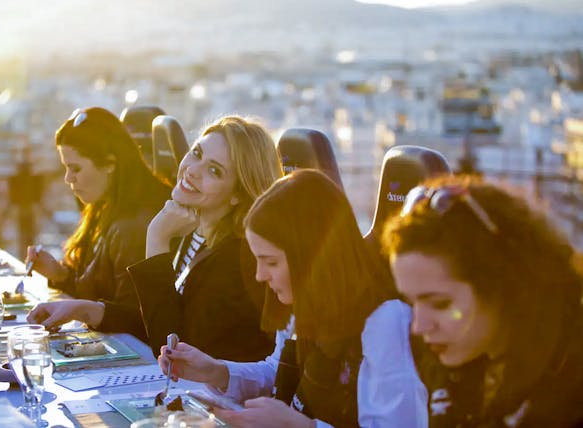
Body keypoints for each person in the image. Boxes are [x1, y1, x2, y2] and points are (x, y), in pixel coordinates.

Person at [158, 169, 427, 427]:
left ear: (309, 258)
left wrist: (304, 427)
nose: (261, 276)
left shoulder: (385, 322)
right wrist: (216, 371)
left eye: (271, 262)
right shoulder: (306, 300)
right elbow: (280, 373)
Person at [28, 115, 282, 361]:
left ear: (237, 193)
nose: (193, 170)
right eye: (196, 153)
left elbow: (172, 347)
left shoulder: (236, 258)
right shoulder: (195, 232)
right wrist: (85, 309)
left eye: (214, 171)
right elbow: (159, 318)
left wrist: (157, 239)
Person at [382, 175, 583, 427]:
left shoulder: (567, 392)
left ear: (501, 286)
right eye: (411, 303)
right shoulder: (459, 357)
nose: (419, 326)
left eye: (441, 304)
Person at [25, 107, 170, 305]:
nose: (68, 178)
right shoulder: (105, 205)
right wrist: (60, 275)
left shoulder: (133, 228)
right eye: (66, 168)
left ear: (110, 163)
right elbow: (98, 295)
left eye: (75, 168)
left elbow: (127, 316)